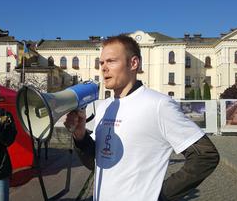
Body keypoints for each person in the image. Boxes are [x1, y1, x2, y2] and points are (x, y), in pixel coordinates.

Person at [64, 35, 220, 201]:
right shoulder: (105, 107)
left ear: (133, 63)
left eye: (111, 61)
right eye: (101, 62)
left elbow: (206, 155)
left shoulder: (159, 105)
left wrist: (160, 196)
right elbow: (95, 163)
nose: (103, 68)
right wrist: (80, 137)